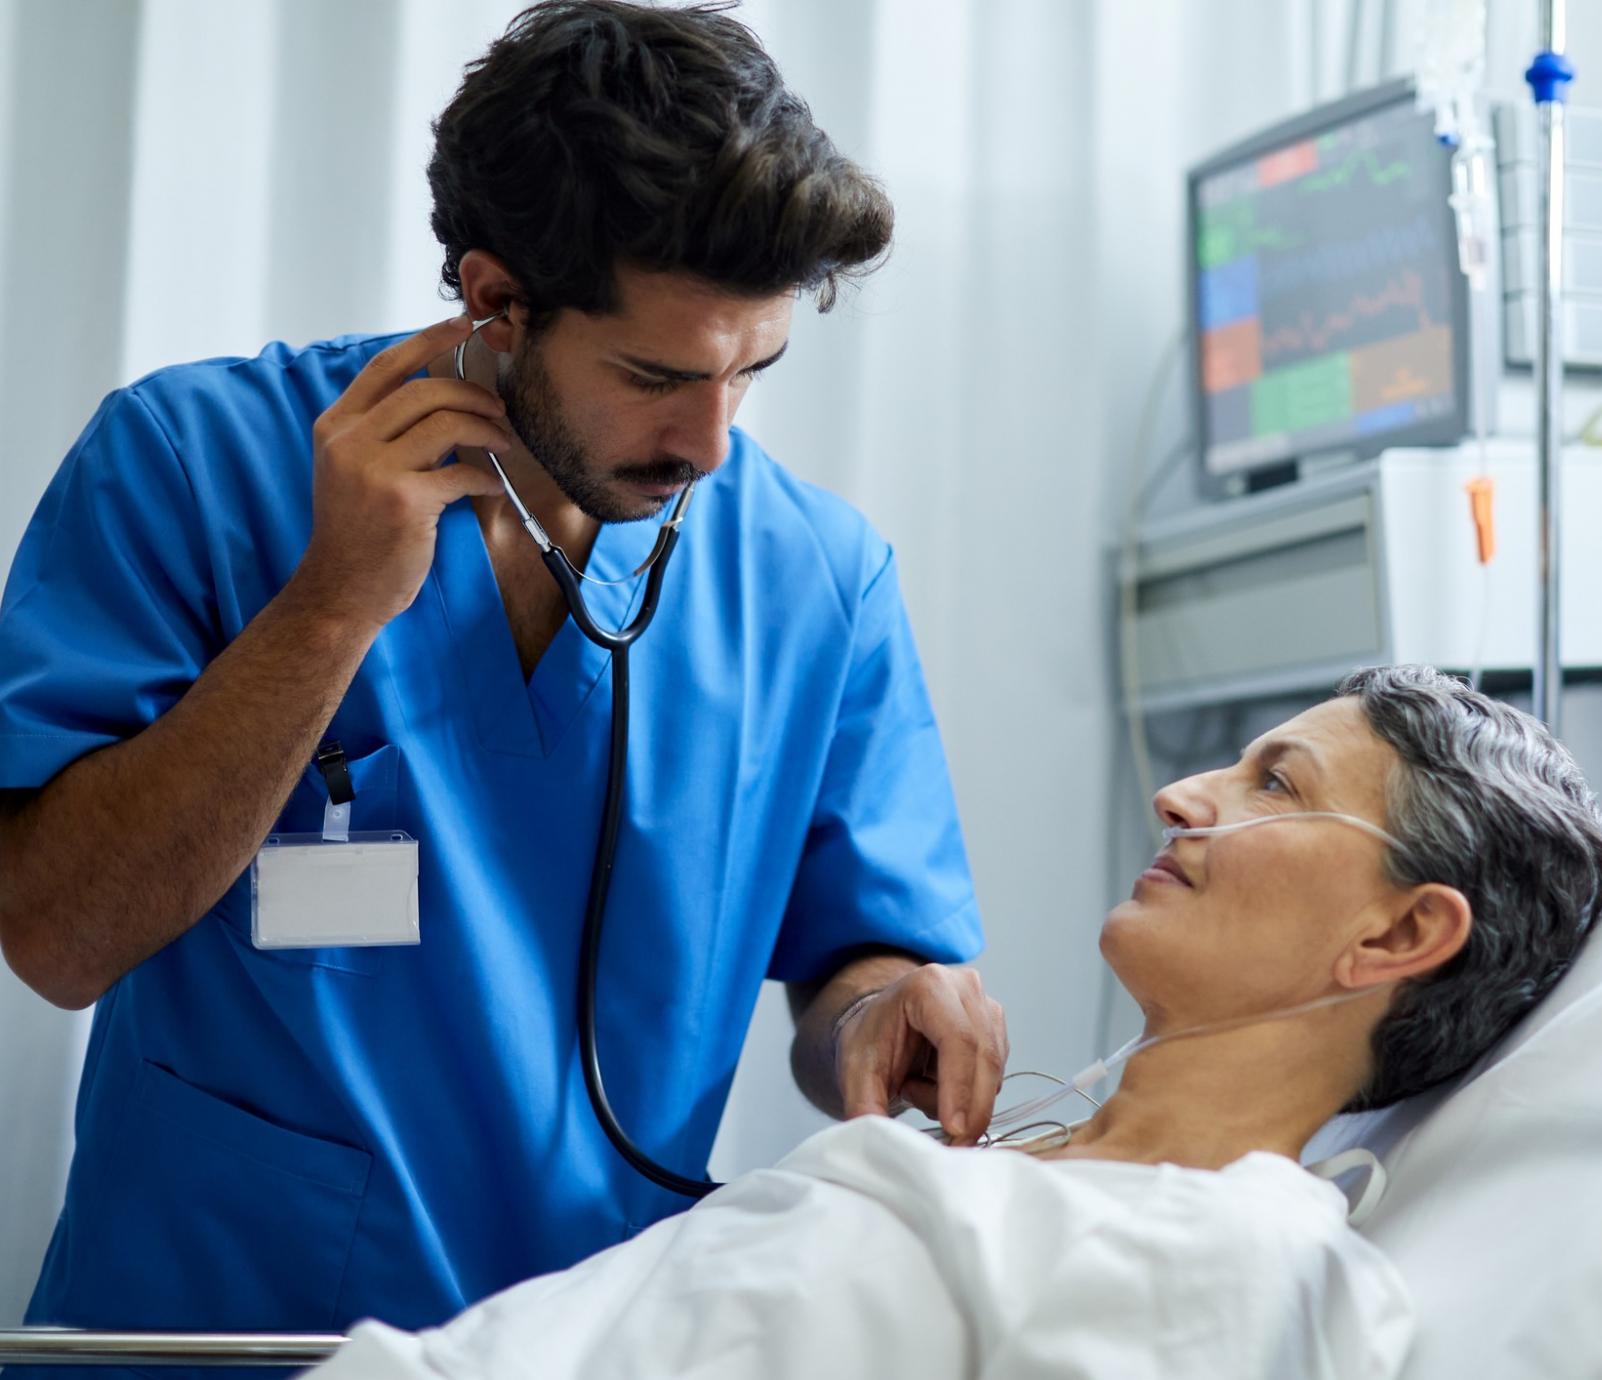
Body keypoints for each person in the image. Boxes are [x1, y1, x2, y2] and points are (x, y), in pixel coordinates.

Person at [0, 0, 1008, 1351]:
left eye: (752, 370)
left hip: (592, 1343)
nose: (710, 444)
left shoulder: (816, 577)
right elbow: (58, 938)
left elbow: (855, 966)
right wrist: (329, 612)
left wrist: (891, 1013)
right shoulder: (191, 465)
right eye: (656, 375)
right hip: (224, 1337)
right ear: (494, 300)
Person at [308, 665, 1602, 1380]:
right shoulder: (1033, 1172)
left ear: (1399, 936)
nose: (1182, 794)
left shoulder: (1225, 1254)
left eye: (1275, 782)